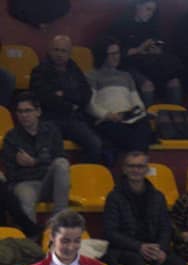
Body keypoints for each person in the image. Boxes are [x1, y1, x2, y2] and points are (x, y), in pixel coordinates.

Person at [104, 150, 188, 265]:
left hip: (154, 247)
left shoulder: (158, 196)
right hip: (126, 249)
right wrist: (139, 247)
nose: (136, 170)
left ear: (146, 169)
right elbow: (111, 232)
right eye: (131, 166)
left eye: (140, 166)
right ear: (124, 169)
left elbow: (165, 227)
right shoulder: (114, 197)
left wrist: (161, 249)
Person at [29, 35, 103, 164]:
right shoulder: (39, 71)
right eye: (56, 50)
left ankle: (83, 177)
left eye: (63, 51)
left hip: (73, 119)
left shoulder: (75, 70)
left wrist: (63, 94)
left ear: (69, 53)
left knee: (96, 144)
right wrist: (70, 102)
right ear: (49, 50)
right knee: (50, 151)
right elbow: (44, 98)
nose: (59, 54)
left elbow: (86, 93)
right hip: (49, 119)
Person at [1, 92, 71, 224]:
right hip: (25, 183)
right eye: (20, 112)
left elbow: (62, 157)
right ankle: (31, 241)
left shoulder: (51, 131)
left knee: (61, 163)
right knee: (25, 197)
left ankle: (59, 219)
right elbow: (11, 174)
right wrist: (38, 165)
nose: (24, 115)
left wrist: (34, 162)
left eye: (28, 111)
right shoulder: (11, 137)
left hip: (48, 181)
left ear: (38, 112)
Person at [86, 36, 154, 162]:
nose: (116, 56)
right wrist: (108, 115)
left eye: (117, 53)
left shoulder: (126, 76)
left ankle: (137, 165)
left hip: (129, 118)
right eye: (112, 54)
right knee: (130, 134)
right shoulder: (91, 75)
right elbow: (90, 105)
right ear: (102, 55)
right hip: (109, 120)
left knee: (144, 127)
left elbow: (136, 101)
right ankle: (136, 165)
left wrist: (139, 112)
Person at [110, 0, 183, 106]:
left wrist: (158, 50)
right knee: (147, 85)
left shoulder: (153, 25)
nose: (150, 13)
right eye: (148, 9)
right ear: (137, 6)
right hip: (129, 64)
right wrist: (138, 49)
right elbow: (114, 51)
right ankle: (146, 120)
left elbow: (163, 45)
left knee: (174, 82)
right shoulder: (121, 24)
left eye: (153, 11)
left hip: (152, 63)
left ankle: (175, 118)